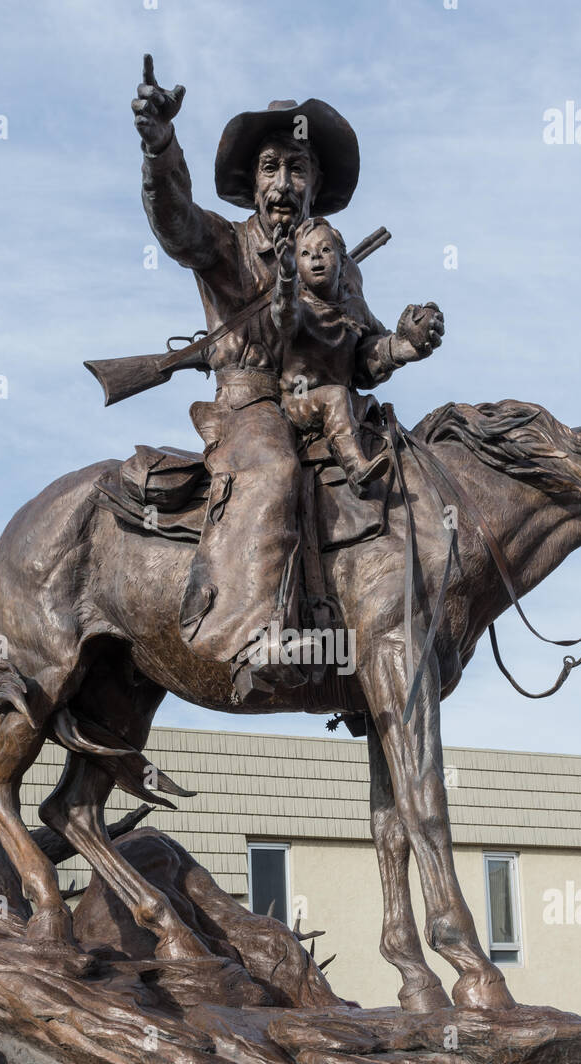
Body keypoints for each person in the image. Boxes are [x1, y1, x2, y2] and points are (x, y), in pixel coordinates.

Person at [132, 56, 444, 701]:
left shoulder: (333, 259)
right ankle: (260, 635)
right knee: (272, 469)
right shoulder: (225, 243)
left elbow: (362, 354)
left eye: (296, 167)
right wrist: (160, 146)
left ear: (315, 181)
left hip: (330, 404)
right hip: (251, 405)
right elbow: (172, 219)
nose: (282, 181)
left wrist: (405, 345)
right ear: (253, 184)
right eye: (270, 167)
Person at [272, 217, 393, 496]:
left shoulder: (356, 306)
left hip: (348, 402)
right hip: (298, 403)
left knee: (343, 398)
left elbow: (382, 338)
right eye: (304, 253)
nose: (316, 257)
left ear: (342, 260)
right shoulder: (298, 306)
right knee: (334, 395)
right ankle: (355, 469)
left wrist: (409, 339)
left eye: (325, 250)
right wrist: (286, 274)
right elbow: (283, 314)